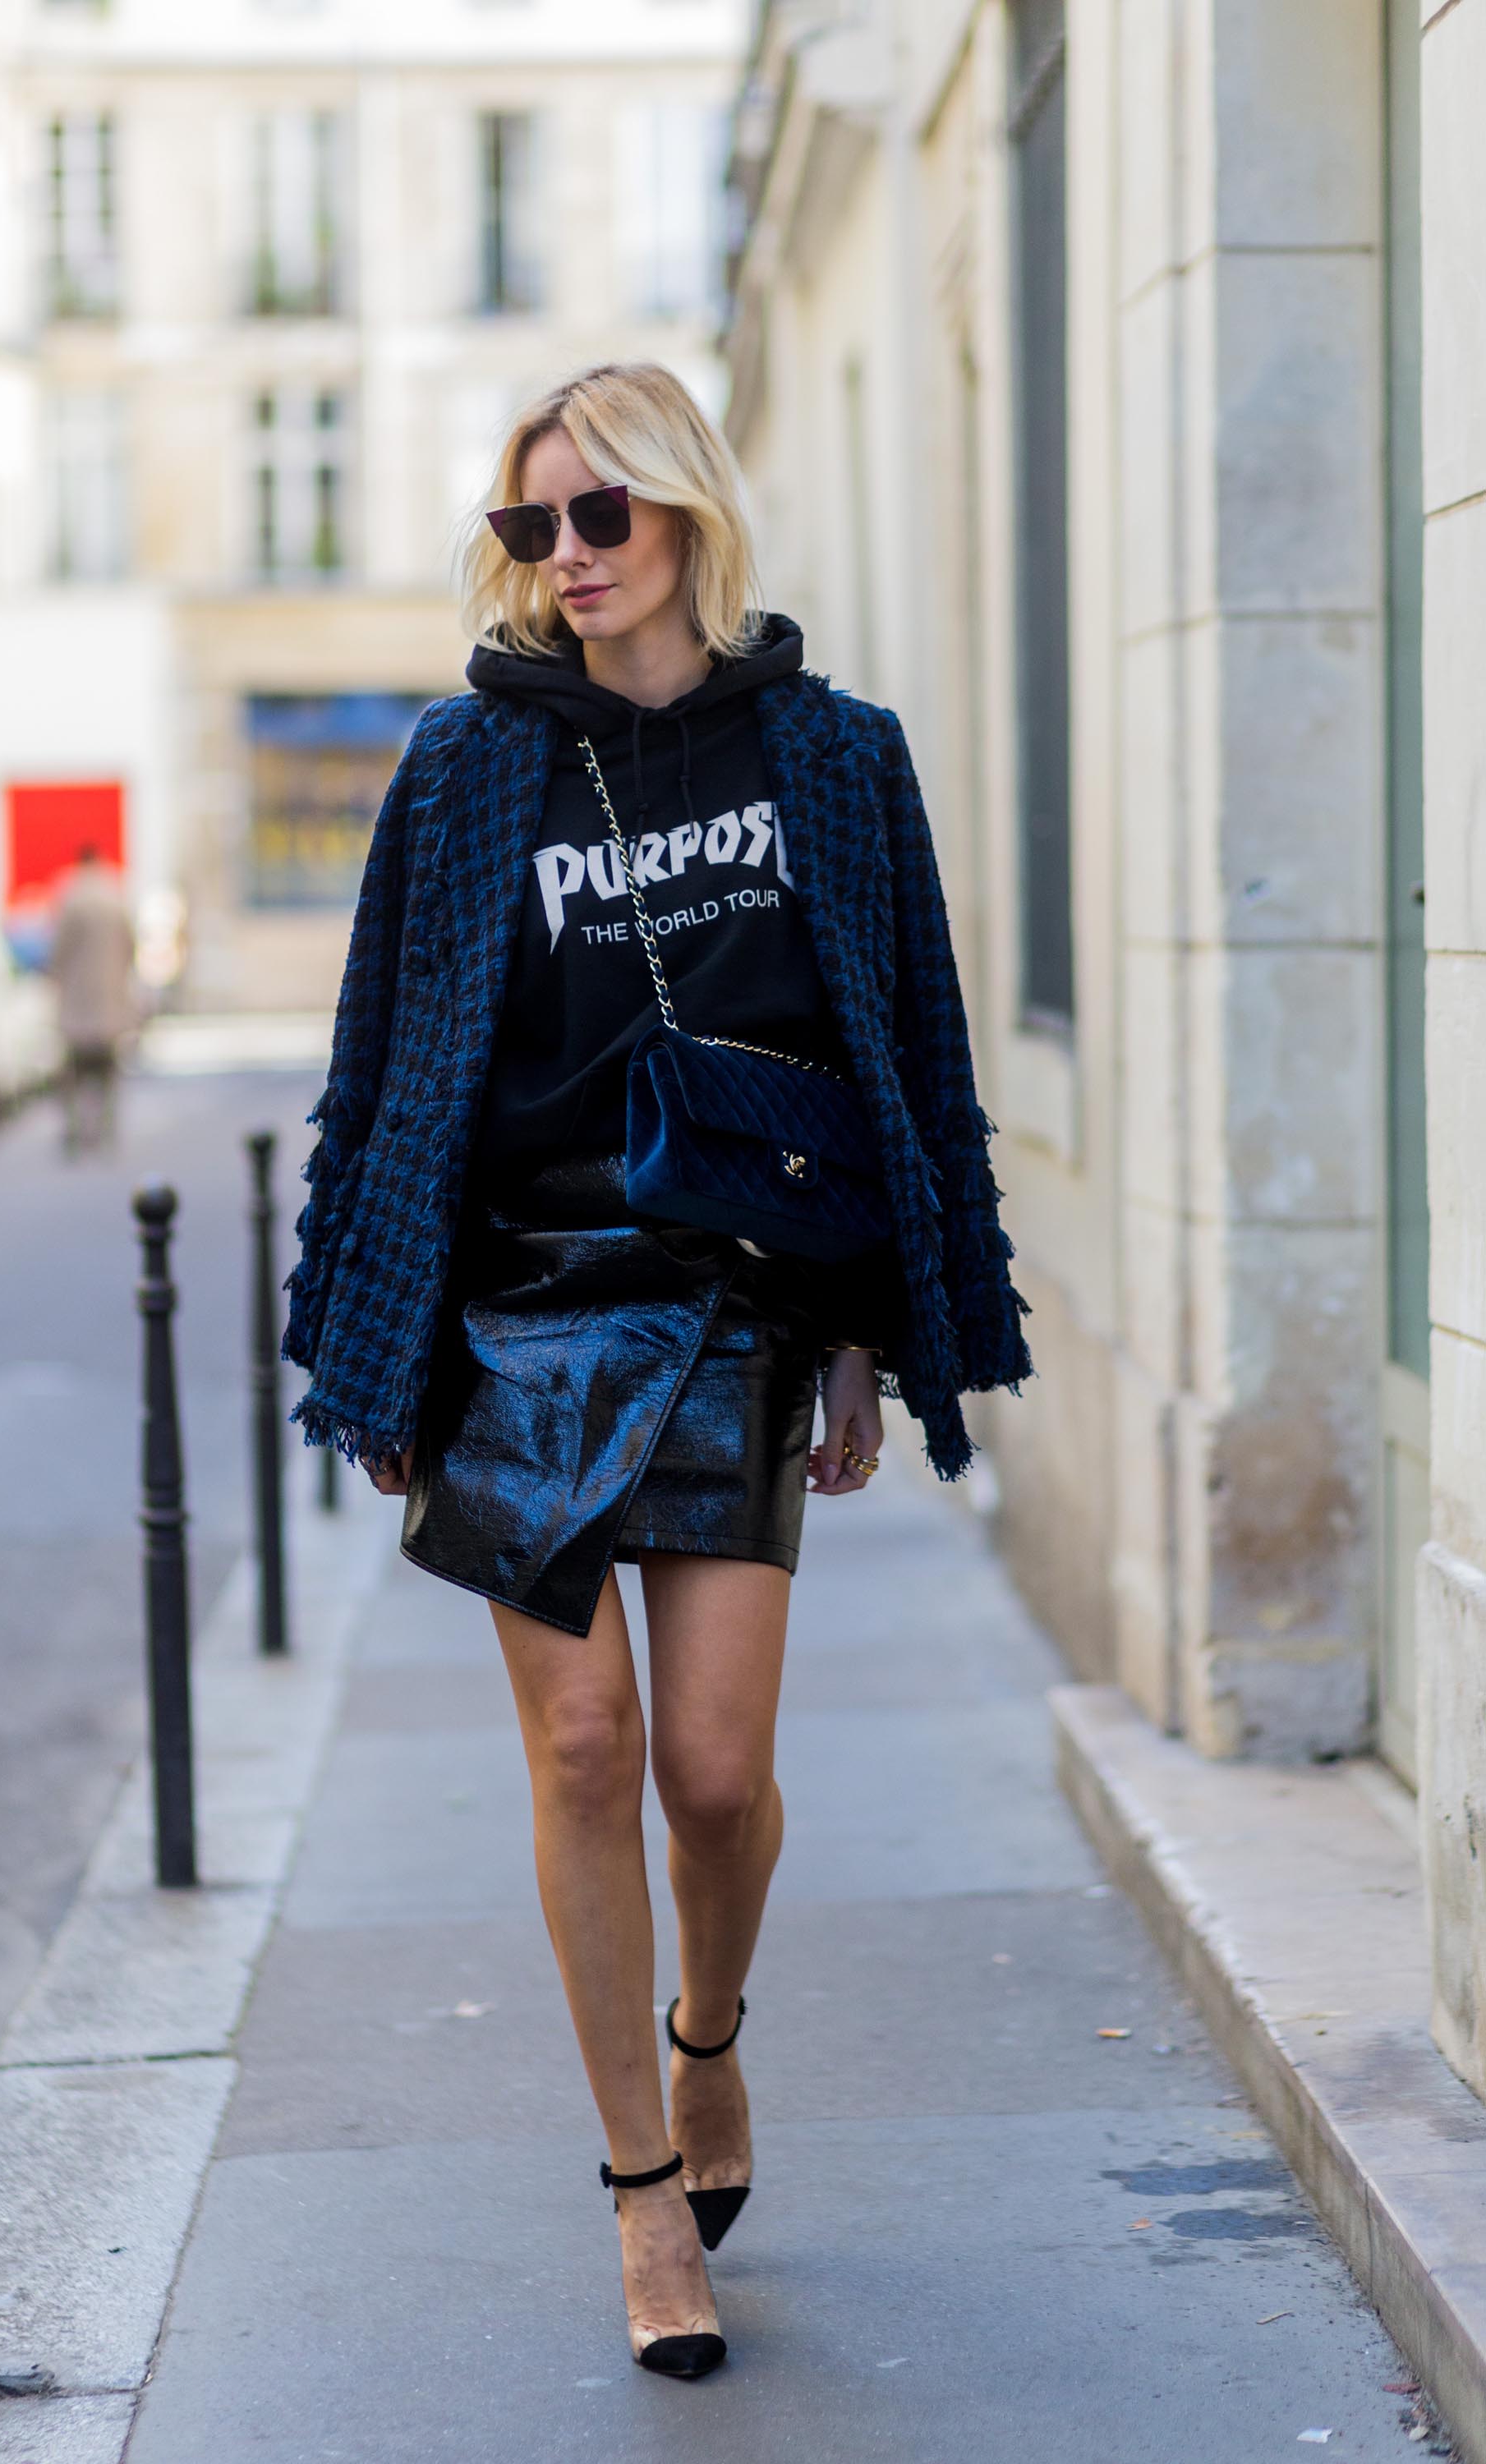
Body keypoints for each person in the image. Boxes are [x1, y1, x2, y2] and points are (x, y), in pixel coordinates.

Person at [284, 362, 1030, 2379]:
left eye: (600, 517)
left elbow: (905, 1060)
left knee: (713, 1773)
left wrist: (871, 1323)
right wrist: (368, 1345)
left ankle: (711, 2039)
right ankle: (638, 2184)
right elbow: (379, 1066)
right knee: (587, 1747)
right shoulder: (460, 768)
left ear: (691, 512)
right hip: (512, 1309)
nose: (570, 560)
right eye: (532, 529)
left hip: (735, 1305)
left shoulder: (833, 757)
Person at [49, 845, 136, 1153]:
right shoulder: (115, 894)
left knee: (73, 1074)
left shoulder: (71, 896)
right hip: (110, 1002)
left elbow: (59, 950)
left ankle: (75, 1133)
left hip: (77, 1002)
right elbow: (130, 946)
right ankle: (106, 1129)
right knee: (109, 1073)